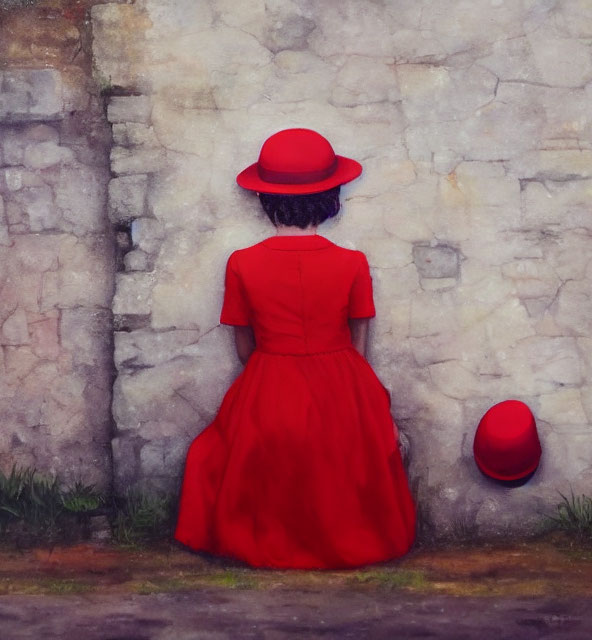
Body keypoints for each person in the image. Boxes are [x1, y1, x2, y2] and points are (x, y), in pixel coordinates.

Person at [173, 128, 417, 569]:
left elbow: (244, 344)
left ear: (266, 200)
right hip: (343, 380)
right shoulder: (353, 262)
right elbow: (359, 343)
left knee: (221, 455)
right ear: (331, 197)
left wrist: (276, 368)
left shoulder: (242, 263)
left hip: (270, 379)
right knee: (339, 466)